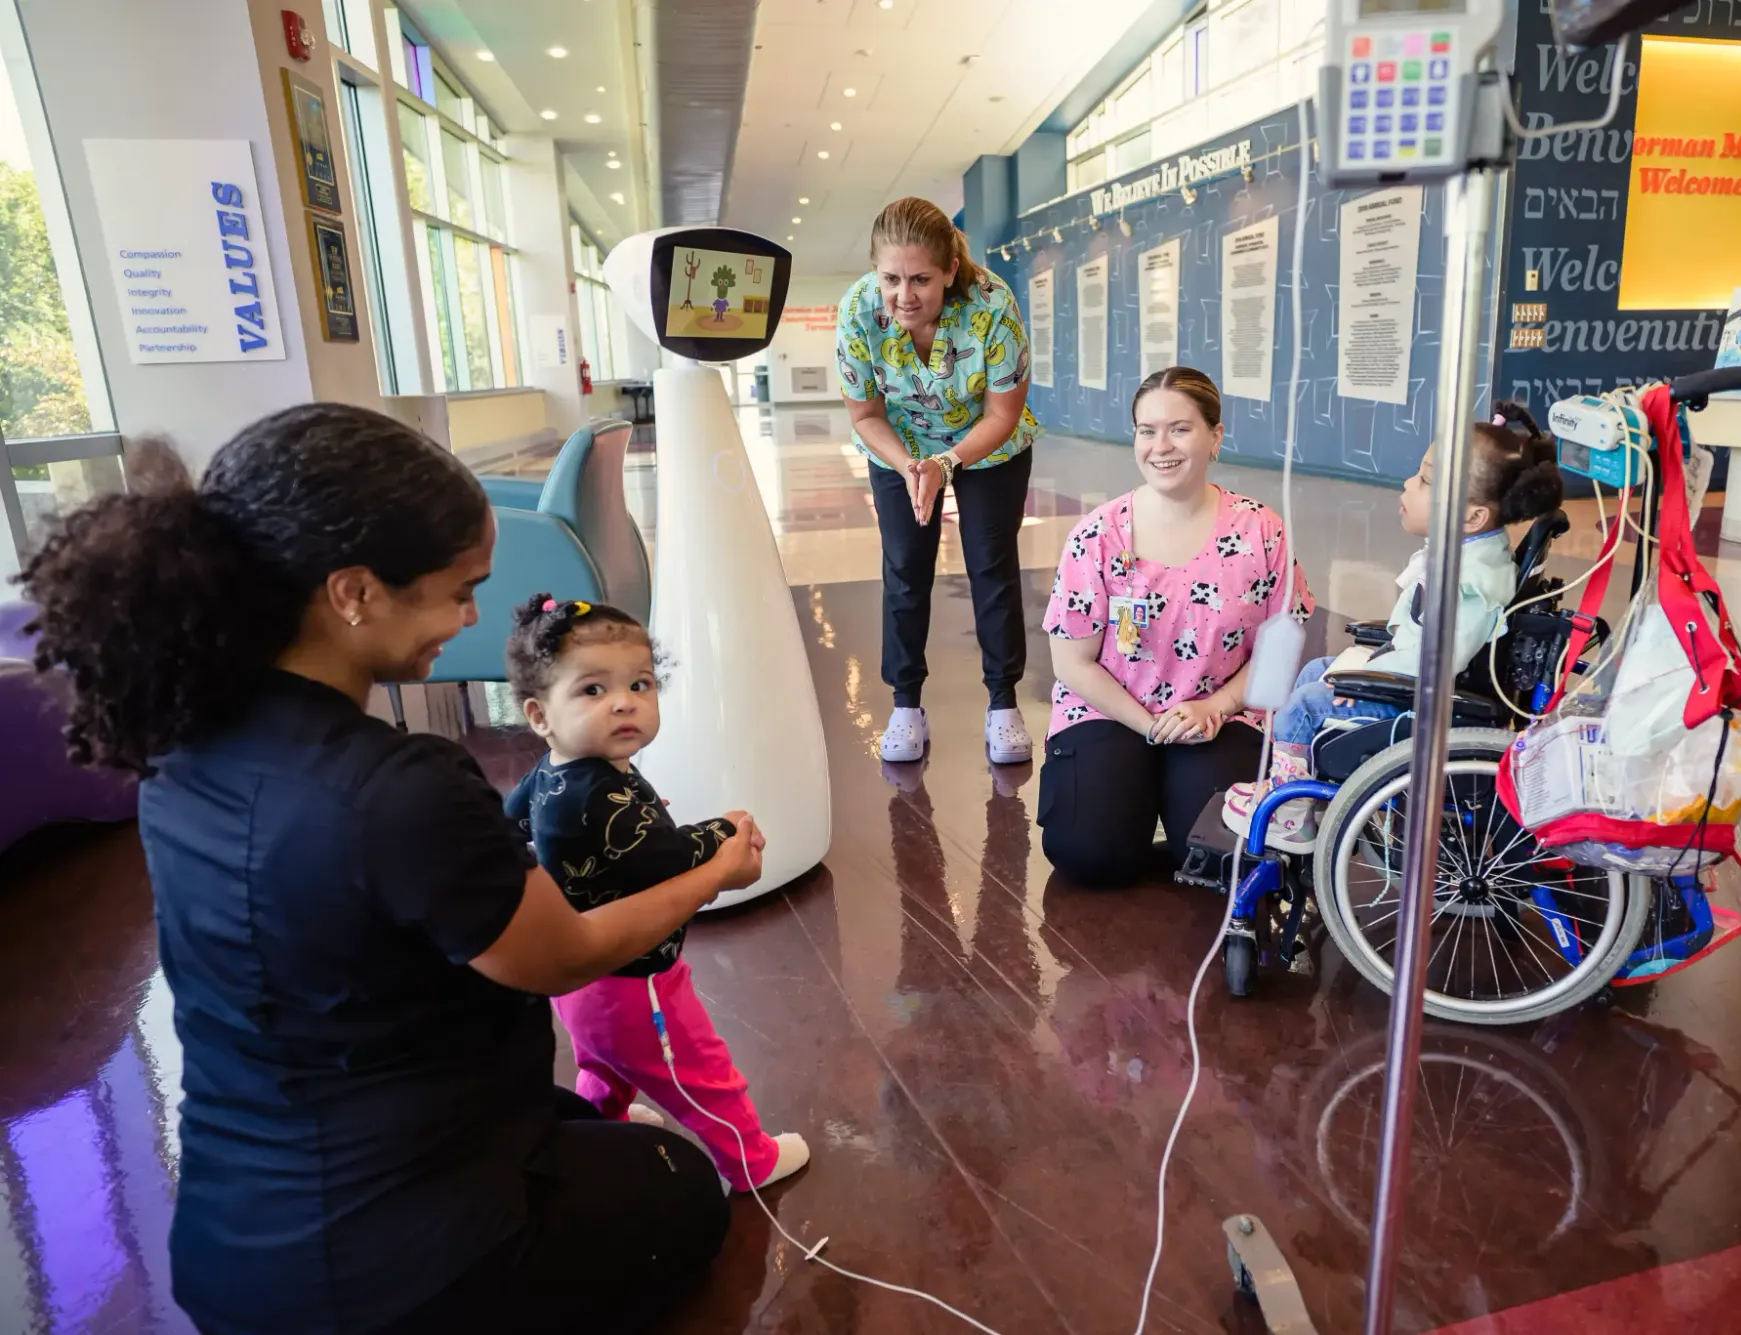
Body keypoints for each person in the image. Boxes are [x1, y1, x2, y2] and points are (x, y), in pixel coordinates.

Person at [19, 405, 762, 1335]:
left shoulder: (180, 748)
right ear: (355, 592)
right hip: (395, 1280)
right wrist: (712, 870)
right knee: (684, 1182)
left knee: (582, 1119)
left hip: (231, 1252)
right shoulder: (397, 786)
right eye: (458, 591)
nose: (471, 617)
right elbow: (561, 954)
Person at [502, 594, 809, 1193]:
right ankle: (750, 1160)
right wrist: (726, 830)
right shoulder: (594, 792)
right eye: (592, 690)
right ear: (539, 714)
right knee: (697, 1070)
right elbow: (661, 859)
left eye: (640, 684)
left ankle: (598, 1120)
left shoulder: (554, 771)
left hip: (583, 975)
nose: (624, 702)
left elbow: (511, 824)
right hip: (635, 981)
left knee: (603, 1060)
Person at [1221, 409, 1565, 848]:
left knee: (1303, 707)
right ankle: (1301, 791)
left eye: (1425, 480)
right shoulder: (1475, 555)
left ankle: (1290, 817)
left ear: (1471, 517)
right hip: (1416, 679)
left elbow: (1437, 660)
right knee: (1312, 675)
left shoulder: (1462, 584)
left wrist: (1369, 684)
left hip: (1418, 703)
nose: (1407, 484)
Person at [1038, 367, 1314, 888]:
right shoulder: (1098, 535)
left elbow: (1280, 650)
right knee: (1088, 855)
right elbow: (1070, 661)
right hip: (1112, 710)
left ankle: (1170, 803)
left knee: (1221, 859)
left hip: (1218, 716)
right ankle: (1133, 804)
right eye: (1147, 430)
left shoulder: (1261, 530)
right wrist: (1147, 725)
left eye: (1180, 428)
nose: (1160, 446)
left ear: (1215, 436)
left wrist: (1217, 706)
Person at [837, 196, 1040, 768]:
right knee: (905, 566)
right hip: (896, 445)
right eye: (891, 279)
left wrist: (948, 462)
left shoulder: (994, 305)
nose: (905, 296)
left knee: (990, 564)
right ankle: (905, 706)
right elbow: (865, 415)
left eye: (921, 279)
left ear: (951, 270)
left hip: (986, 444)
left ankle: (1003, 704)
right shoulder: (858, 311)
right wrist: (909, 466)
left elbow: (1002, 415)